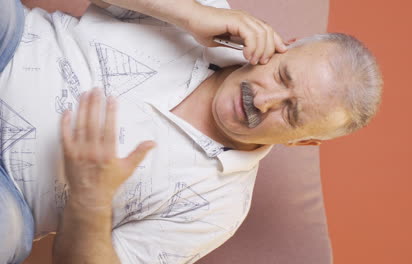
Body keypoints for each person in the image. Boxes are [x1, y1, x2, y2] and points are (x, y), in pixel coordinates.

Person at [0, 0, 383, 263]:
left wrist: (91, 199)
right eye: (282, 76)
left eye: (291, 112)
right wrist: (189, 14)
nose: (264, 100)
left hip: (9, 195)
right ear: (288, 46)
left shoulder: (218, 211)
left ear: (303, 141)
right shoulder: (211, 12)